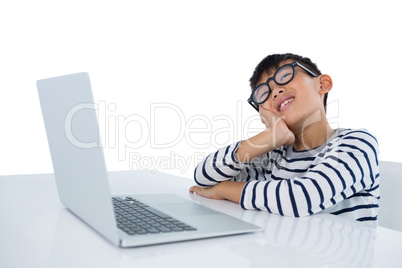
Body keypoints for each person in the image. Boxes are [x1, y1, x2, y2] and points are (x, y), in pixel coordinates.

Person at [189, 53, 380, 222]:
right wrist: (268, 138)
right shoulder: (274, 157)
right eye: (264, 93)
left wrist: (223, 191)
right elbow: (205, 177)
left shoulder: (357, 143)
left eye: (285, 76)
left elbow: (302, 198)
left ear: (322, 84)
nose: (275, 91)